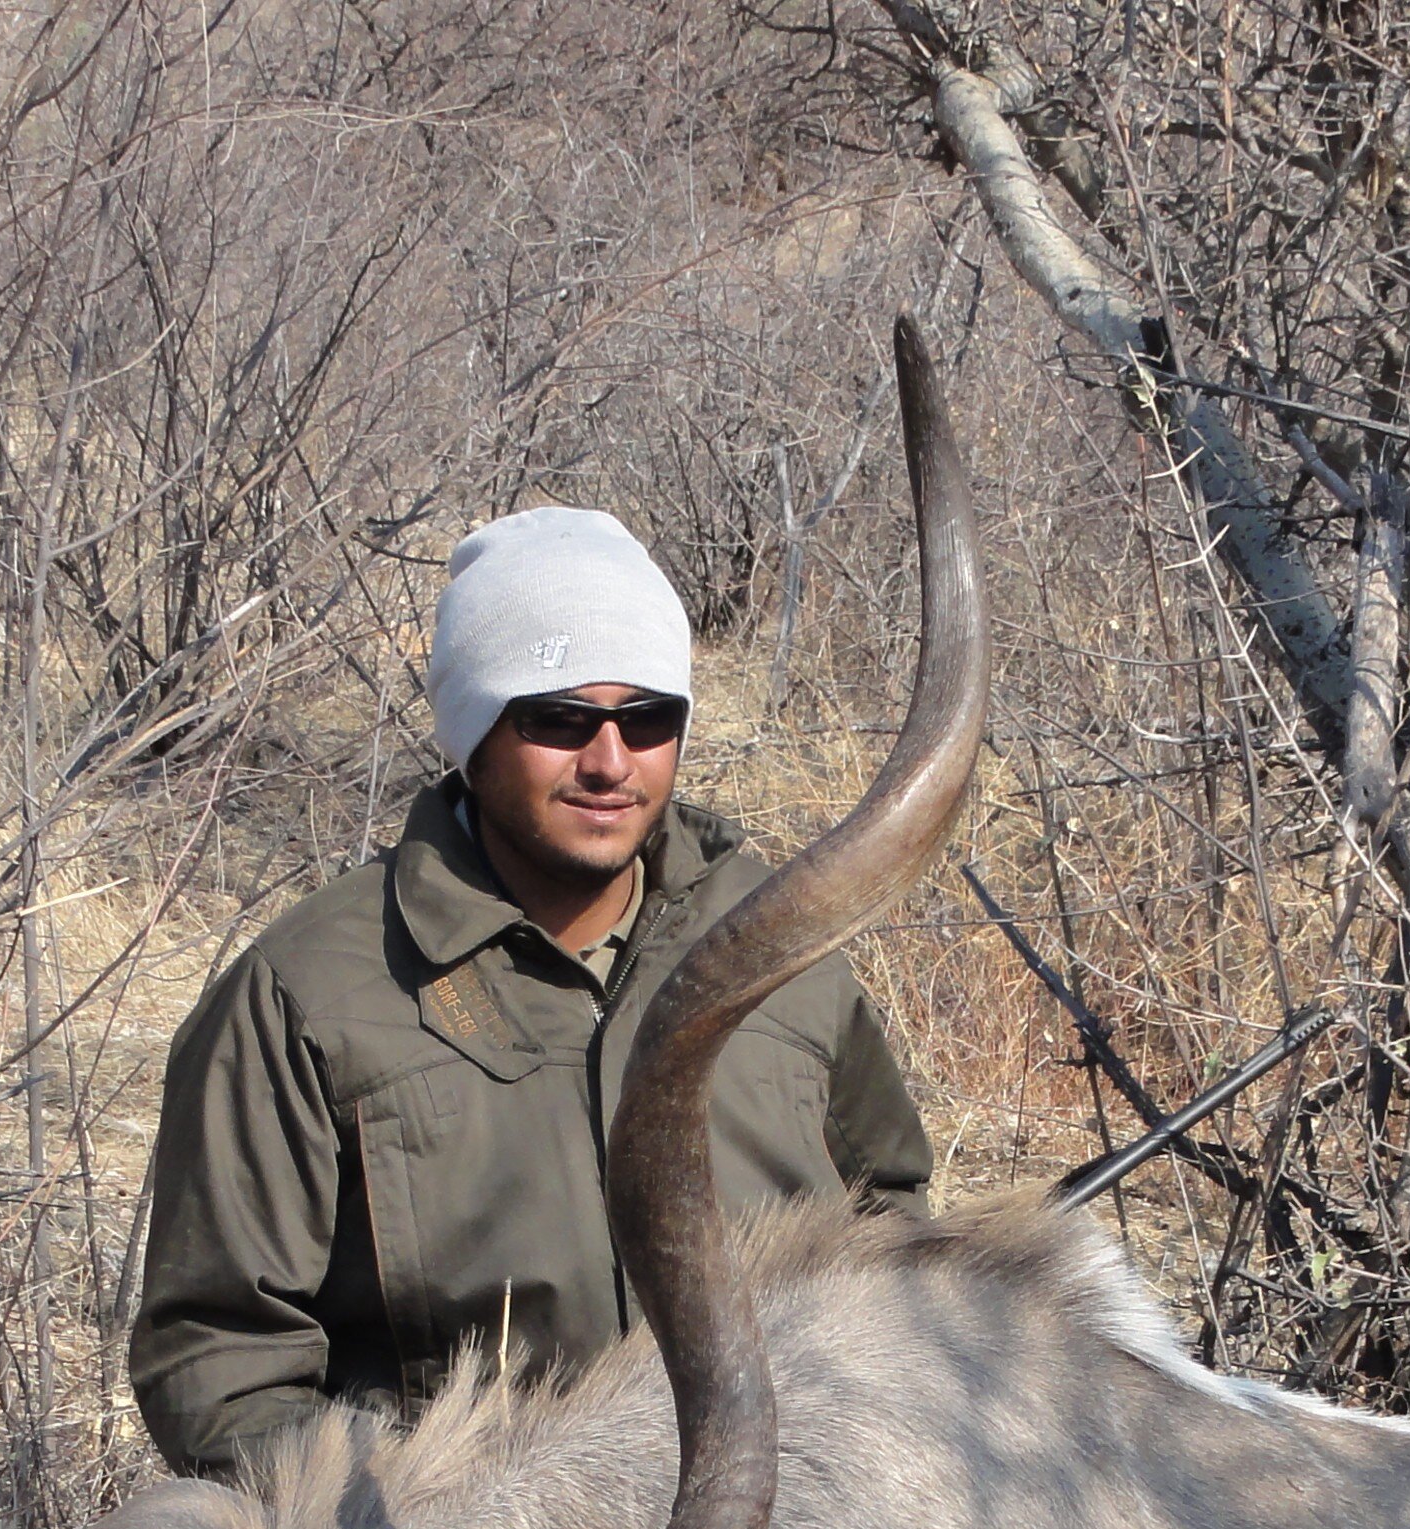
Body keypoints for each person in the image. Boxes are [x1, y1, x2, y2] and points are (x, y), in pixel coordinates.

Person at [129, 504, 933, 1473]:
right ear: (473, 731)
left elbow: (891, 1227)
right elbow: (219, 1363)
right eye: (558, 718)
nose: (608, 761)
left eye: (648, 719)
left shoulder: (778, 944)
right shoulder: (301, 997)